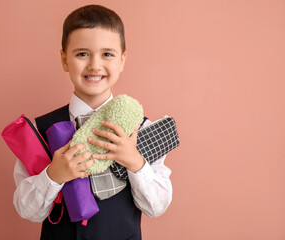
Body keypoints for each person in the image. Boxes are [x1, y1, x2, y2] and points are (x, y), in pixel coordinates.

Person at [13, 4, 172, 240]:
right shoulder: (39, 132)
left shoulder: (142, 129)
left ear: (122, 60)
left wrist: (134, 162)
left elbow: (156, 207)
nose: (95, 65)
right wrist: (53, 175)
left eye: (107, 54)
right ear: (64, 59)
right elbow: (27, 210)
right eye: (82, 53)